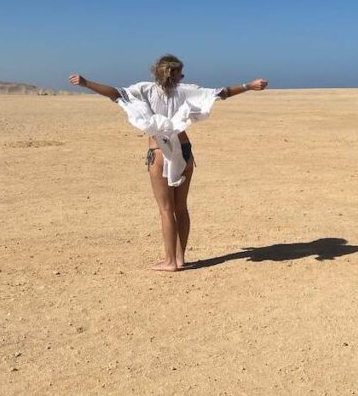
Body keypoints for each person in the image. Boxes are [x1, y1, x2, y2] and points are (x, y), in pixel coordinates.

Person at [69, 54, 268, 272]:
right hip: (184, 150)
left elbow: (115, 94)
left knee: (166, 210)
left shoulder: (144, 90)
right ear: (173, 74)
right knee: (180, 208)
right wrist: (248, 86)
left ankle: (170, 261)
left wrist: (87, 83)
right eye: (180, 73)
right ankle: (180, 258)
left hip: (160, 152)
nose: (183, 77)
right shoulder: (186, 90)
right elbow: (222, 93)